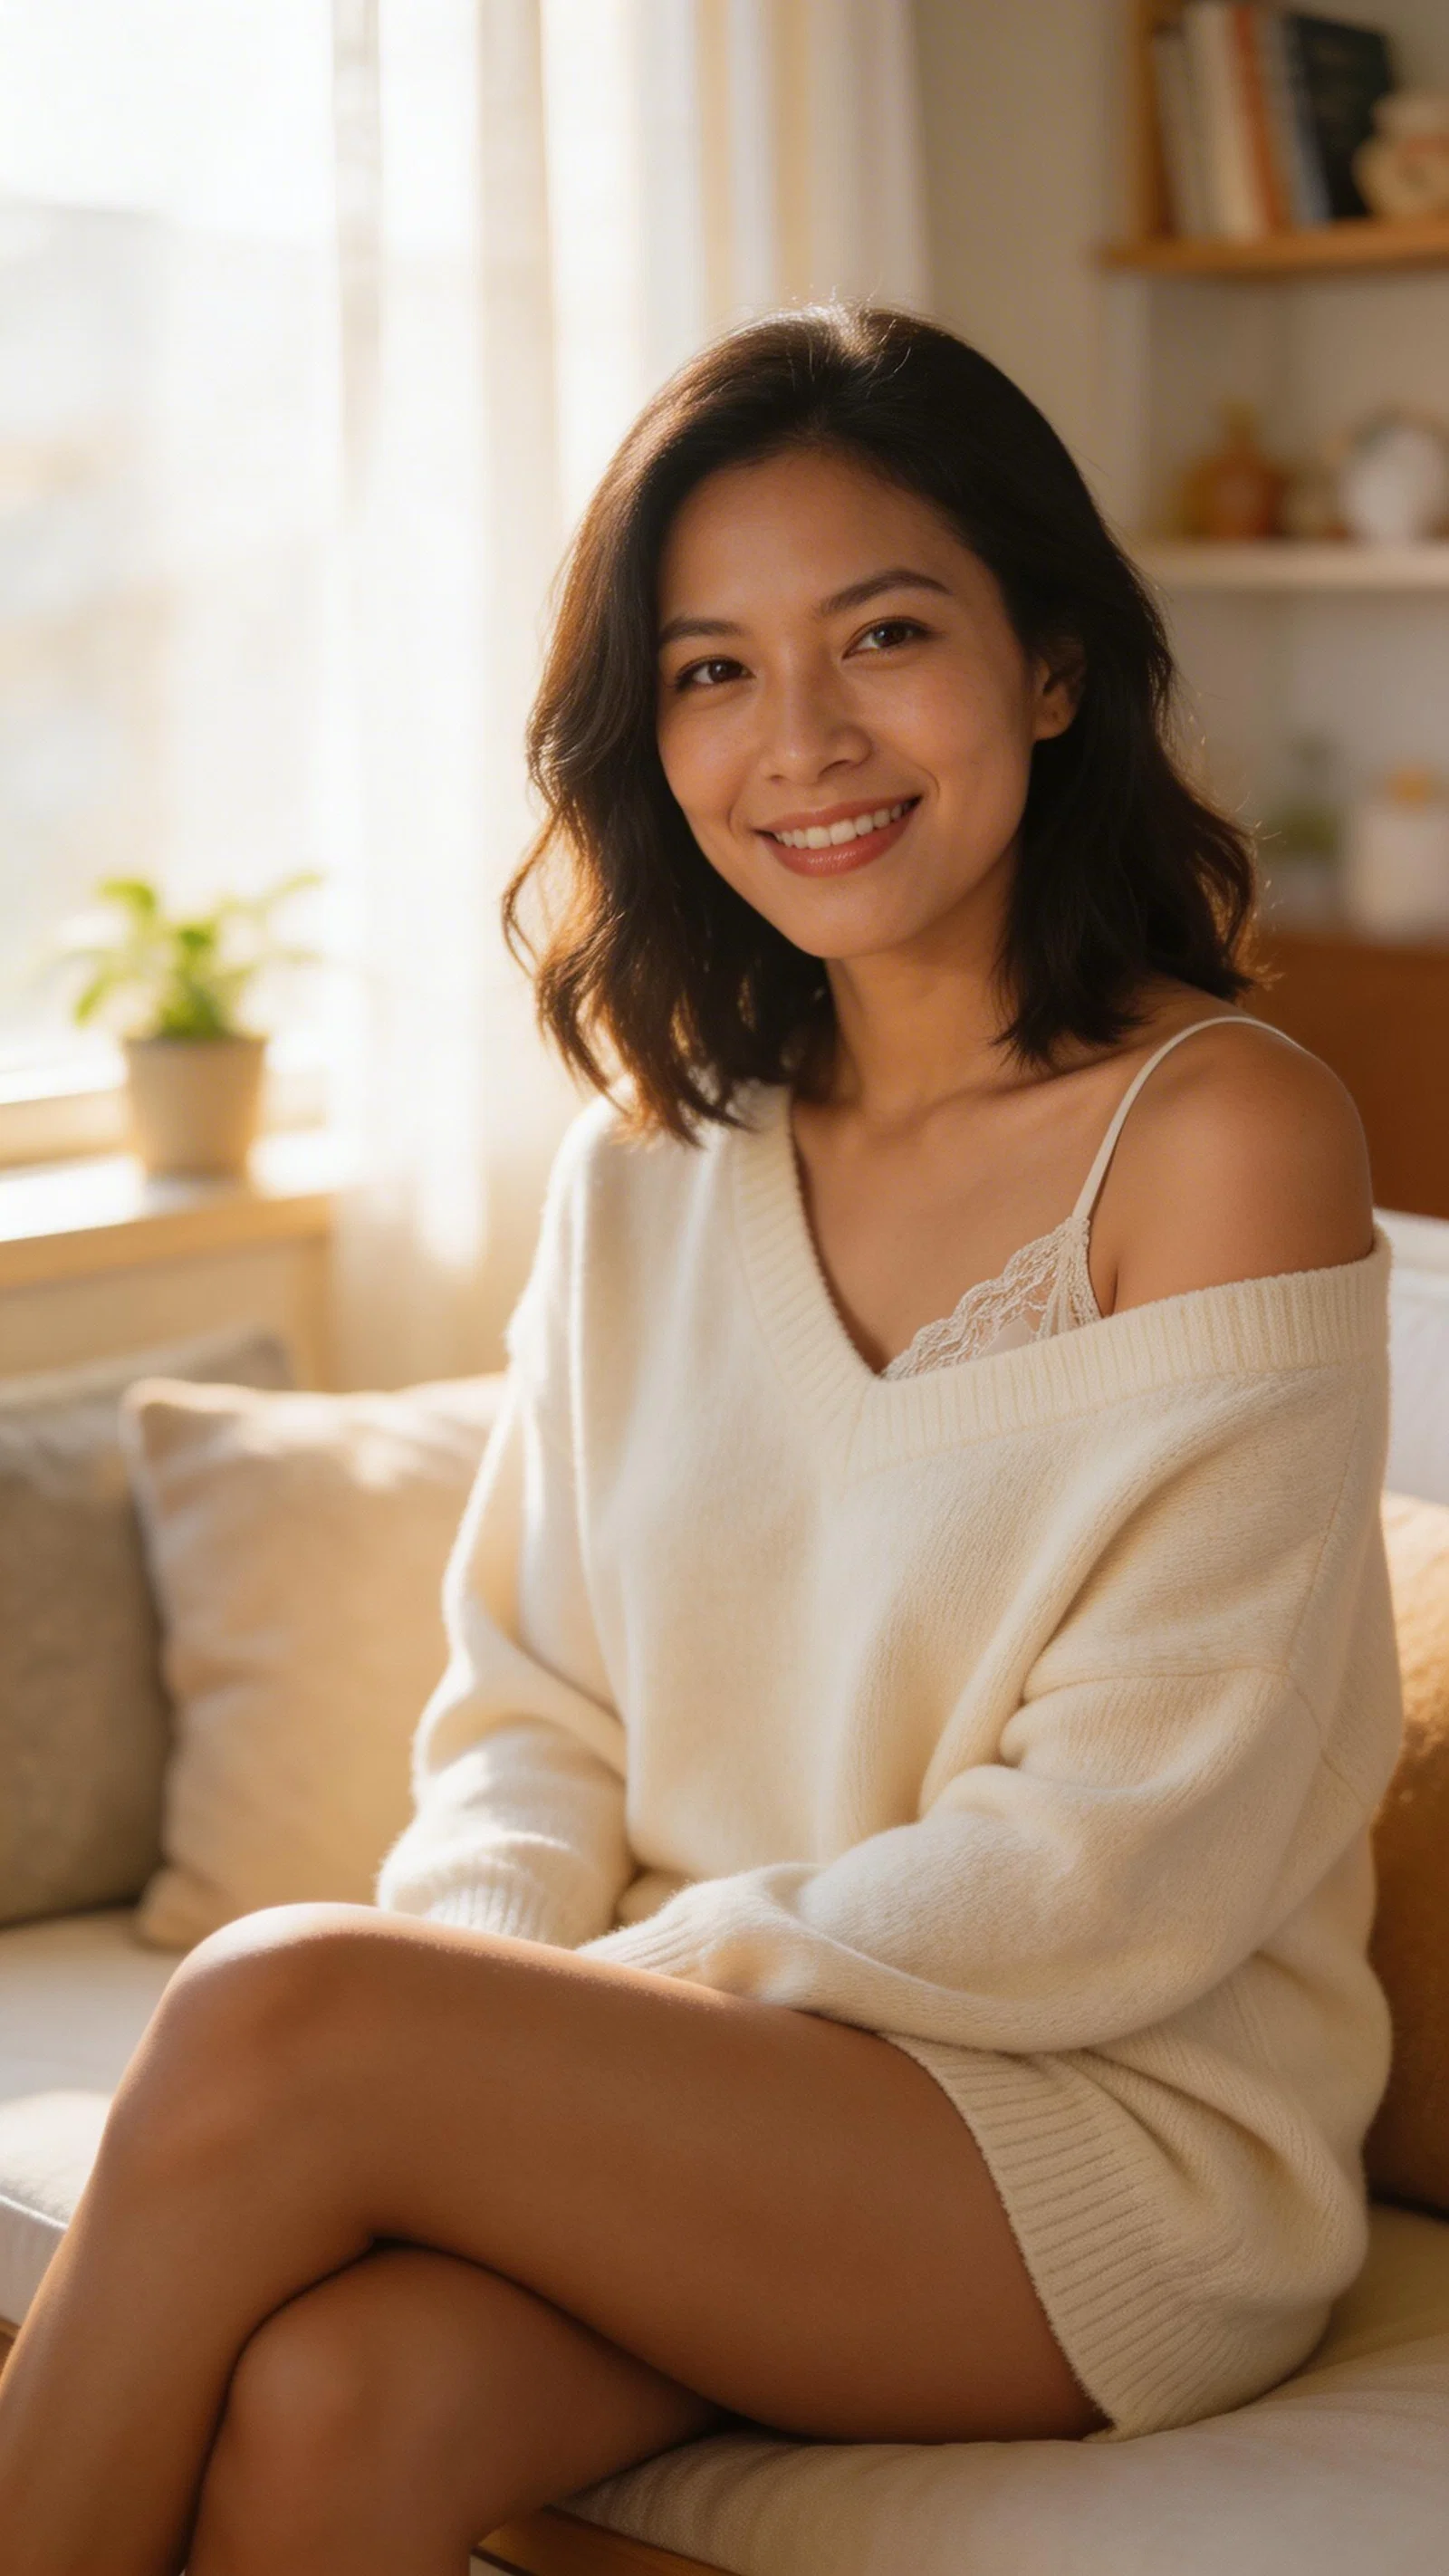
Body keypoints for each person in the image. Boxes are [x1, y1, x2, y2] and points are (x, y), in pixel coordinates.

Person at [0, 305, 1401, 2576]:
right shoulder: (649, 1162)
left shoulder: (1222, 1136)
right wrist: (499, 2012)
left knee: (287, 2005)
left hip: (1090, 2144)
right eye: (712, 671)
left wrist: (515, 2032)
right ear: (647, 736)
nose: (804, 739)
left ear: (1050, 664)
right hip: (712, 2105)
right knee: (332, 2405)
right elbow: (527, 1725)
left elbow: (1116, 1860)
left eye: (883, 636)